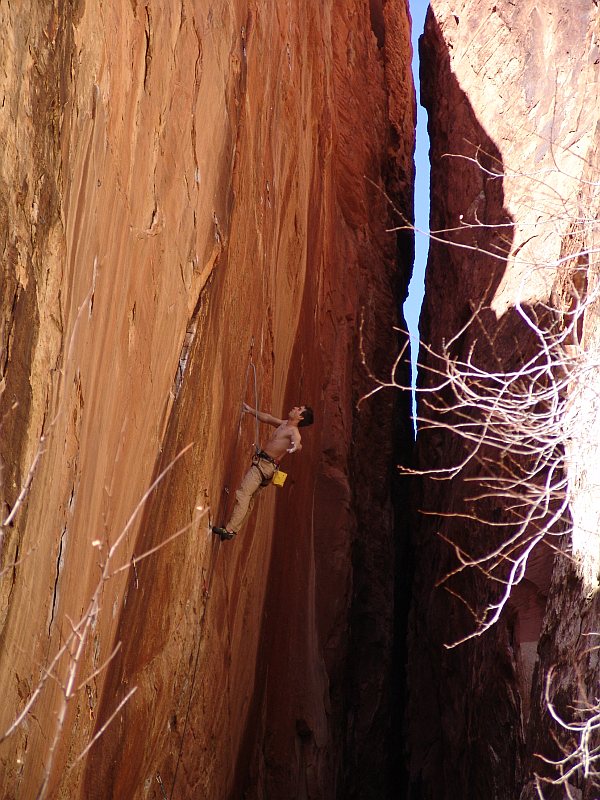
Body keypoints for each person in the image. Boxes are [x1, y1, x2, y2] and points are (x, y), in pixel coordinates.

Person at [212, 403, 314, 541]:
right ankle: (234, 529)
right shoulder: (285, 424)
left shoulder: (293, 432)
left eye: (299, 409)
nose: (295, 408)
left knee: (243, 493)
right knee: (250, 500)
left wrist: (295, 446)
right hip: (266, 467)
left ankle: (229, 529)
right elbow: (268, 418)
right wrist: (251, 411)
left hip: (264, 468)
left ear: (301, 417)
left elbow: (297, 441)